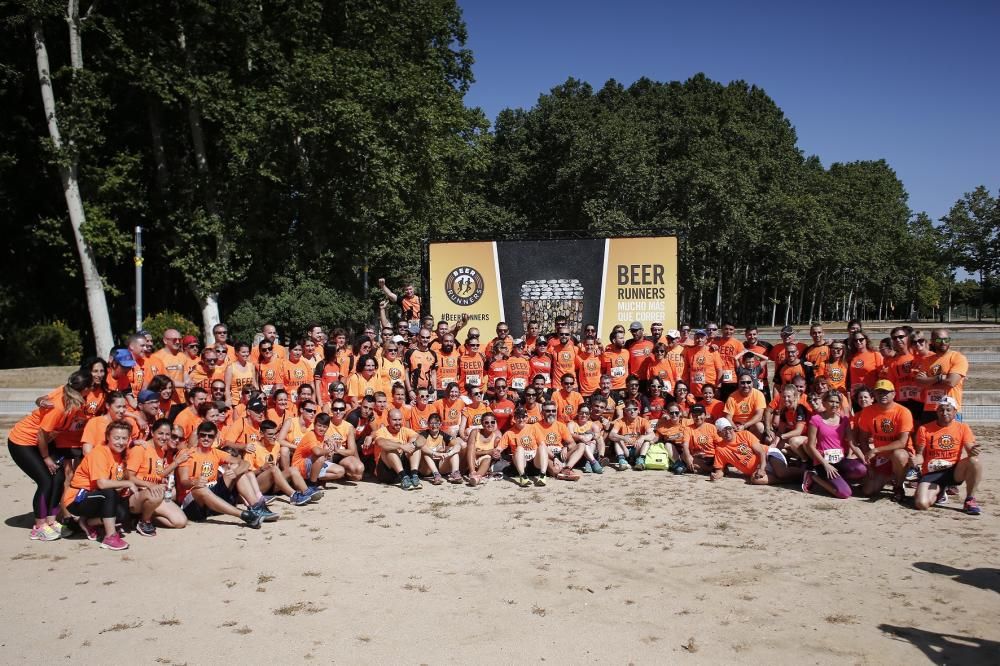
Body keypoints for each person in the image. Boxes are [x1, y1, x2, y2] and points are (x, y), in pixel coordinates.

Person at [8, 372, 90, 541]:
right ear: (86, 389)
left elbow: (42, 399)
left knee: (58, 477)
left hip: (43, 442)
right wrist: (46, 458)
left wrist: (40, 401)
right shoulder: (59, 406)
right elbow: (41, 435)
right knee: (45, 480)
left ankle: (51, 522)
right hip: (23, 441)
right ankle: (39, 526)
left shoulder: (68, 392)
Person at [176, 421, 270, 527]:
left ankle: (257, 507)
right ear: (198, 435)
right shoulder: (187, 453)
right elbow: (183, 482)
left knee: (236, 468)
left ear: (215, 438)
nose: (206, 438)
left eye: (210, 436)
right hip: (193, 502)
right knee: (200, 489)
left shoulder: (216, 452)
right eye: (203, 435)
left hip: (213, 496)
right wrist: (194, 481)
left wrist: (236, 472)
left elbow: (245, 463)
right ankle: (244, 515)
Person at [62, 420, 138, 550]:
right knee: (108, 493)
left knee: (120, 515)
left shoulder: (120, 455)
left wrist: (124, 487)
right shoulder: (99, 453)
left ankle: (86, 522)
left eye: (124, 438)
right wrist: (128, 483)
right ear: (108, 437)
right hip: (77, 498)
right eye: (116, 438)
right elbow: (102, 484)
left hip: (94, 496)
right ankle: (110, 537)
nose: (120, 442)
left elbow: (113, 481)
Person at [912, 398, 981, 515]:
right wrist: (915, 460)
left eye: (948, 410)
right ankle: (939, 492)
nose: (945, 413)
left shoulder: (963, 427)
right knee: (921, 504)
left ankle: (970, 499)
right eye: (941, 410)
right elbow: (920, 455)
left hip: (953, 471)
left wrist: (973, 451)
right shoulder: (924, 429)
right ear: (936, 411)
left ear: (955, 411)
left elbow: (970, 449)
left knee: (974, 461)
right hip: (931, 472)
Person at [125, 418, 189, 532]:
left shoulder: (160, 451)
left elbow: (157, 475)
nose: (164, 437)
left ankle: (142, 517)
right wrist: (150, 484)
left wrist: (162, 480)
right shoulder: (140, 449)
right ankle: (144, 522)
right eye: (160, 433)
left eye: (167, 434)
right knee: (157, 494)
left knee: (180, 522)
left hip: (153, 494)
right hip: (135, 495)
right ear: (152, 432)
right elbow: (129, 477)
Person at [802, 391, 868, 498]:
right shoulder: (816, 420)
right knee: (845, 494)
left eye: (837, 402)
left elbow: (852, 443)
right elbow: (810, 445)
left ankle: (839, 479)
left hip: (840, 460)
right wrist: (825, 464)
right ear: (824, 403)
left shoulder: (844, 420)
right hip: (823, 463)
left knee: (862, 469)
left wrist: (865, 460)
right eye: (831, 401)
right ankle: (813, 476)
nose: (834, 405)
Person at [857, 380, 913, 501]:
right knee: (868, 491)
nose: (882, 395)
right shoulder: (868, 411)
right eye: (879, 392)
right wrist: (869, 460)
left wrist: (876, 449)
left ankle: (898, 487)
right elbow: (863, 438)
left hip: (899, 454)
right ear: (875, 395)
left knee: (899, 455)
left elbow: (902, 442)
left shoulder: (903, 412)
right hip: (881, 457)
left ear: (894, 394)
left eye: (886, 392)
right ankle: (891, 476)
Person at [711, 417, 802, 485]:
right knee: (755, 479)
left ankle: (805, 473)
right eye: (723, 430)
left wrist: (762, 468)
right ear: (719, 433)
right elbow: (720, 470)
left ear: (732, 428)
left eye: (729, 428)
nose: (727, 432)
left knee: (781, 473)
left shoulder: (744, 434)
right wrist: (716, 476)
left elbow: (761, 452)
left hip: (768, 454)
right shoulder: (720, 449)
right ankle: (789, 480)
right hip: (757, 470)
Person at [251, 419, 315, 506]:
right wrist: (261, 469)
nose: (274, 437)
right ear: (261, 434)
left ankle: (306, 491)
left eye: (275, 434)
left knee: (292, 469)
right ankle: (293, 495)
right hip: (258, 485)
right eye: (270, 434)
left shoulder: (276, 445)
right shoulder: (253, 448)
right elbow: (247, 475)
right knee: (273, 469)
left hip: (273, 484)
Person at [913, 329, 969, 423]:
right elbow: (919, 382)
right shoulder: (927, 361)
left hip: (949, 409)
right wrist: (939, 378)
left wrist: (928, 381)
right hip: (930, 409)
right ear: (932, 342)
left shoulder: (958, 358)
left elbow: (951, 382)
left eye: (946, 339)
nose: (943, 342)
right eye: (939, 340)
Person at [373, 409, 424, 490]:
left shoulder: (405, 430)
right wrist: (401, 446)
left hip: (402, 468)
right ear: (388, 420)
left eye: (400, 419)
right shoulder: (382, 431)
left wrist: (412, 444)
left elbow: (422, 439)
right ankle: (404, 477)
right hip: (386, 472)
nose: (398, 422)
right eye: (394, 420)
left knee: (415, 446)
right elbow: (381, 443)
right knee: (390, 449)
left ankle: (414, 475)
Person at [535, 401, 583, 480]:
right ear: (542, 412)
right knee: (555, 470)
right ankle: (560, 472)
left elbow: (572, 443)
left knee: (581, 445)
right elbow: (538, 446)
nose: (551, 413)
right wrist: (553, 457)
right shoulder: (536, 426)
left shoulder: (561, 425)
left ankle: (567, 468)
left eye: (553, 411)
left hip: (560, 454)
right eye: (548, 411)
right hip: (547, 455)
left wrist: (566, 447)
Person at [502, 407, 547, 488]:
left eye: (523, 417)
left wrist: (554, 457)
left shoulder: (533, 428)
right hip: (521, 464)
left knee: (542, 446)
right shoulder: (509, 433)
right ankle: (523, 477)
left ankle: (543, 475)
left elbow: (543, 444)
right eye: (518, 417)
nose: (521, 419)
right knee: (519, 448)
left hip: (535, 462)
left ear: (526, 418)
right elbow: (499, 448)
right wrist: (495, 452)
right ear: (514, 418)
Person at [608, 400, 655, 470]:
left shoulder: (643, 421)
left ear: (638, 410)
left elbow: (652, 435)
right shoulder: (620, 421)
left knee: (647, 440)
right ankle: (622, 461)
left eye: (635, 409)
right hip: (625, 449)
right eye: (629, 410)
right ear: (625, 411)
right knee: (617, 439)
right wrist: (623, 438)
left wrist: (642, 438)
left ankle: (640, 461)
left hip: (637, 449)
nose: (632, 411)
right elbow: (611, 435)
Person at [677, 405, 720, 474]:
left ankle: (702, 469)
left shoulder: (711, 427)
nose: (698, 417)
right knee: (684, 455)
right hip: (697, 457)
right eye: (695, 415)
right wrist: (688, 457)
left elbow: (719, 443)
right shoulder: (688, 429)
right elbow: (685, 444)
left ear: (705, 415)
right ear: (692, 416)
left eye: (700, 414)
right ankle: (711, 469)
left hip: (710, 457)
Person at [722, 375, 767, 440]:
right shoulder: (732, 397)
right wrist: (734, 427)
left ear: (752, 383)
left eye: (748, 382)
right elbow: (728, 417)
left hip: (752, 424)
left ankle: (756, 444)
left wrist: (744, 426)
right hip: (736, 425)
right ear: (738, 384)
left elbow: (759, 416)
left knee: (759, 426)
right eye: (743, 383)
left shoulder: (758, 394)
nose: (746, 385)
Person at [568, 406, 604, 473]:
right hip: (577, 454)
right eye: (582, 413)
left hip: (590, 451)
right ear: (578, 413)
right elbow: (569, 435)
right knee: (583, 443)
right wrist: (580, 437)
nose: (584, 415)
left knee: (593, 440)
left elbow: (598, 434)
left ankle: (589, 462)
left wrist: (590, 435)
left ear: (589, 414)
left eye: (586, 413)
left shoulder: (592, 424)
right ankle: (593, 462)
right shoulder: (572, 424)